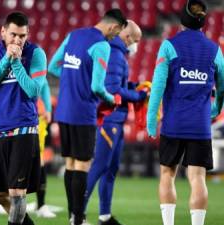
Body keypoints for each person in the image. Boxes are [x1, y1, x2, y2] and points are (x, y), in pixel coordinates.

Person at [147, 1, 224, 225]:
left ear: (182, 20)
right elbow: (223, 87)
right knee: (198, 177)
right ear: (202, 22)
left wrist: (152, 120)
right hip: (200, 126)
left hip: (173, 124)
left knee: (167, 174)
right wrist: (216, 108)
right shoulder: (215, 50)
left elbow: (158, 86)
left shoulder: (169, 47)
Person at [48, 9, 127, 225]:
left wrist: (73, 77)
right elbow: (97, 87)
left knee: (71, 164)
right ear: (114, 27)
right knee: (82, 166)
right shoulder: (102, 45)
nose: (115, 37)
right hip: (83, 113)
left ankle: (73, 218)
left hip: (63, 111)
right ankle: (78, 219)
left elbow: (52, 67)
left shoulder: (73, 35)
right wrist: (112, 98)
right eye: (118, 32)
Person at [0, 11, 47, 225]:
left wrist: (16, 62)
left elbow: (33, 91)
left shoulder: (36, 54)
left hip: (24, 130)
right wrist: (7, 59)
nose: (18, 40)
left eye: (22, 36)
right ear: (3, 32)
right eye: (13, 35)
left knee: (18, 193)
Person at [83, 20, 146, 225]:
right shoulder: (116, 55)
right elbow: (112, 90)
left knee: (111, 168)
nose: (136, 45)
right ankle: (77, 214)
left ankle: (105, 216)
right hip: (109, 117)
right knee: (99, 166)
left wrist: (134, 87)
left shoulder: (118, 54)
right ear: (127, 38)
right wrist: (138, 96)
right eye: (135, 40)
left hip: (116, 119)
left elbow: (118, 84)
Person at [35, 80, 56, 218]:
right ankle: (40, 205)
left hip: (37, 116)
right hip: (22, 116)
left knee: (38, 160)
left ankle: (41, 204)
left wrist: (47, 109)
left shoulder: (34, 60)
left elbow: (44, 84)